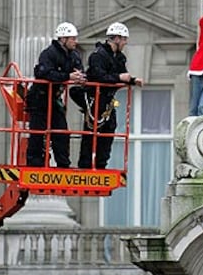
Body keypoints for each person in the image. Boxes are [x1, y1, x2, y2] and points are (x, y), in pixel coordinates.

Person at [77, 22, 143, 169]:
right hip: (95, 98)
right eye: (124, 39)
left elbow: (121, 75)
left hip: (107, 100)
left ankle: (101, 164)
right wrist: (119, 78)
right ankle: (85, 165)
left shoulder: (119, 57)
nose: (125, 43)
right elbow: (99, 76)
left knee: (109, 128)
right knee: (91, 131)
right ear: (117, 38)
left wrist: (132, 80)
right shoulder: (98, 56)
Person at [25, 22, 86, 168]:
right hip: (39, 99)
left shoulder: (73, 55)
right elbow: (43, 73)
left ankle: (63, 164)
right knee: (37, 133)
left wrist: (81, 77)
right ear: (63, 39)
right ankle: (35, 164)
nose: (75, 42)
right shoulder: (49, 54)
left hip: (53, 99)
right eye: (73, 39)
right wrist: (67, 76)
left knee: (61, 132)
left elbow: (79, 69)